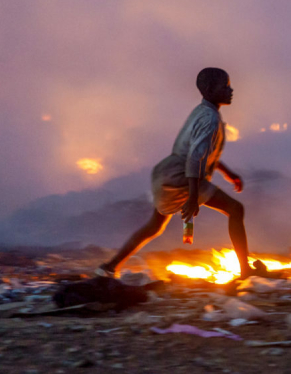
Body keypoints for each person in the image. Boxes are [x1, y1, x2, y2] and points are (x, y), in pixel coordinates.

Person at [96, 68, 263, 279]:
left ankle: (109, 267)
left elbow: (204, 153)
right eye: (225, 86)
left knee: (154, 226)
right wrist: (193, 198)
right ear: (210, 90)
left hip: (167, 174)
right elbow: (195, 158)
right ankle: (245, 271)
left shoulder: (204, 112)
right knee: (235, 209)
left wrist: (228, 173)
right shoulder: (209, 119)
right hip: (181, 177)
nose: (231, 90)